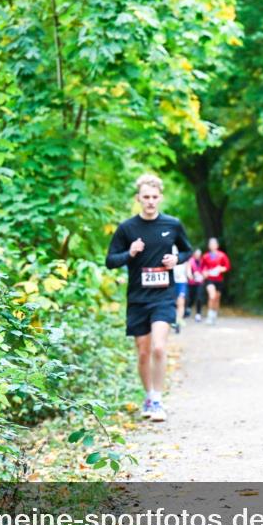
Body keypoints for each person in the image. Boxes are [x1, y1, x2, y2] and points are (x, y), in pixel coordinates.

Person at [105, 173, 192, 422]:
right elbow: (110, 261)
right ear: (138, 198)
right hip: (137, 298)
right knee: (143, 352)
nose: (151, 201)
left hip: (164, 296)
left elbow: (187, 250)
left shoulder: (172, 225)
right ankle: (148, 395)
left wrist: (176, 259)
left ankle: (157, 400)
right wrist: (130, 253)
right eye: (146, 197)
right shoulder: (127, 228)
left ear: (160, 198)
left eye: (154, 197)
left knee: (159, 346)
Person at [200, 237, 230, 325]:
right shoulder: (205, 256)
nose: (212, 245)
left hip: (219, 280)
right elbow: (202, 268)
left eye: (214, 244)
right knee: (212, 296)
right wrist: (204, 272)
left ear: (217, 245)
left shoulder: (222, 255)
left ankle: (214, 315)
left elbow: (227, 267)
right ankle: (209, 316)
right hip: (210, 279)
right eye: (211, 244)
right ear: (209, 246)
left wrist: (221, 269)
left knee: (216, 299)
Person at [186, 247, 205, 322]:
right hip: (191, 283)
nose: (198, 255)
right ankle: (188, 308)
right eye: (196, 253)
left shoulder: (203, 261)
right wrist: (192, 276)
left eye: (199, 254)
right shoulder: (190, 261)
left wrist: (202, 276)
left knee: (199, 297)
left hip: (200, 282)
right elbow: (188, 272)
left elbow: (205, 271)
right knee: (191, 297)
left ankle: (198, 314)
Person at [173, 247, 188, 333]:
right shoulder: (169, 245)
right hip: (172, 281)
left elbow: (187, 265)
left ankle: (178, 322)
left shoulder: (184, 248)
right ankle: (174, 320)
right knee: (173, 303)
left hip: (182, 281)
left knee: (181, 302)